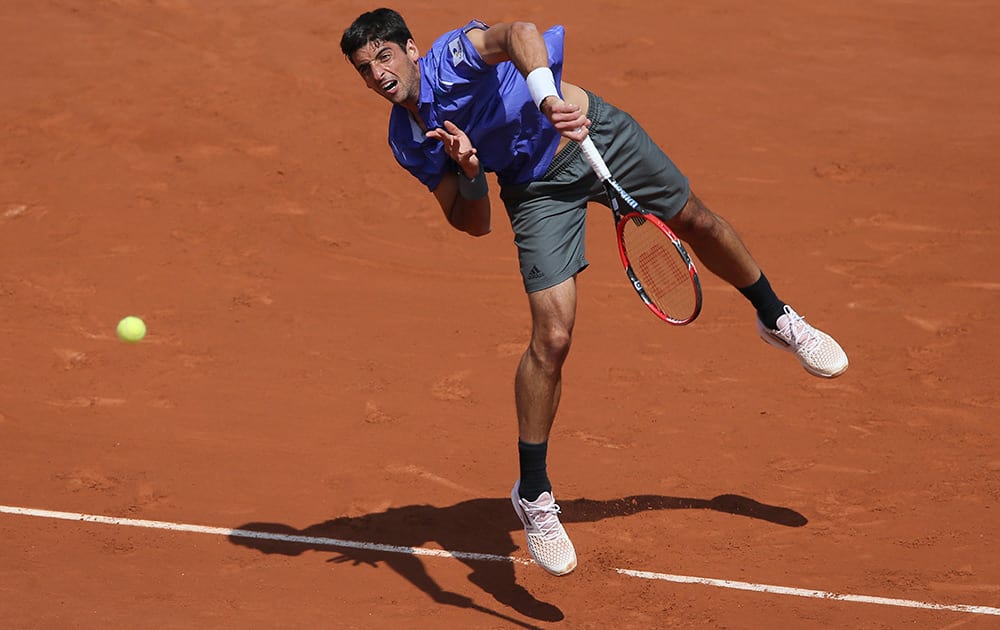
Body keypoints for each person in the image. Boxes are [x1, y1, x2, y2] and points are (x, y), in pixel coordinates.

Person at [340, 9, 848, 577]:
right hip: (534, 191)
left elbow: (521, 35)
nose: (377, 74)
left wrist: (545, 100)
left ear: (411, 48)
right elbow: (473, 222)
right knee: (552, 338)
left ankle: (776, 317)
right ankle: (533, 493)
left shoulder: (454, 57)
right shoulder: (407, 140)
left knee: (696, 220)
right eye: (364, 69)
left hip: (589, 131)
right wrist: (472, 171)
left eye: (384, 56)